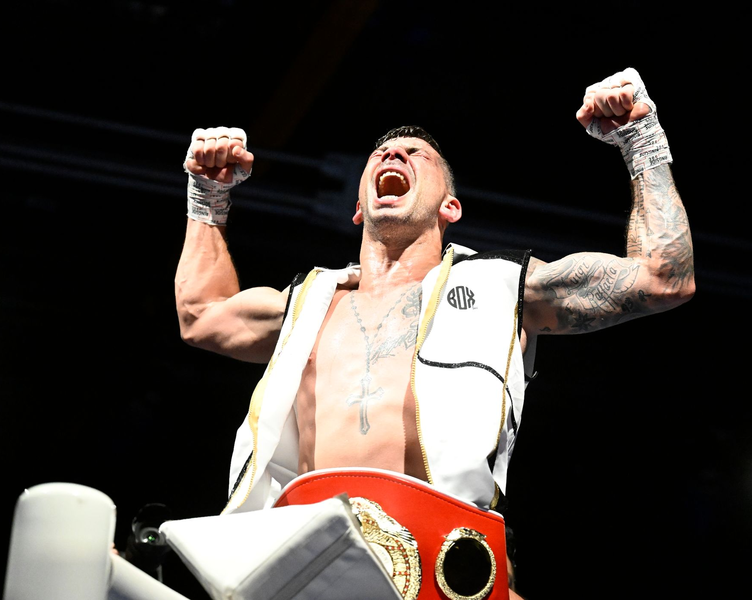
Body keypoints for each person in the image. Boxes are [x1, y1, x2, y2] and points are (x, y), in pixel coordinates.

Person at [174, 67, 694, 600]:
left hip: (445, 571)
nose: (393, 156)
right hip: (306, 571)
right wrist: (207, 196)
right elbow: (200, 314)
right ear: (358, 208)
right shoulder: (307, 306)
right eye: (381, 154)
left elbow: (664, 277)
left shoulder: (503, 289)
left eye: (415, 154)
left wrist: (641, 137)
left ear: (451, 207)